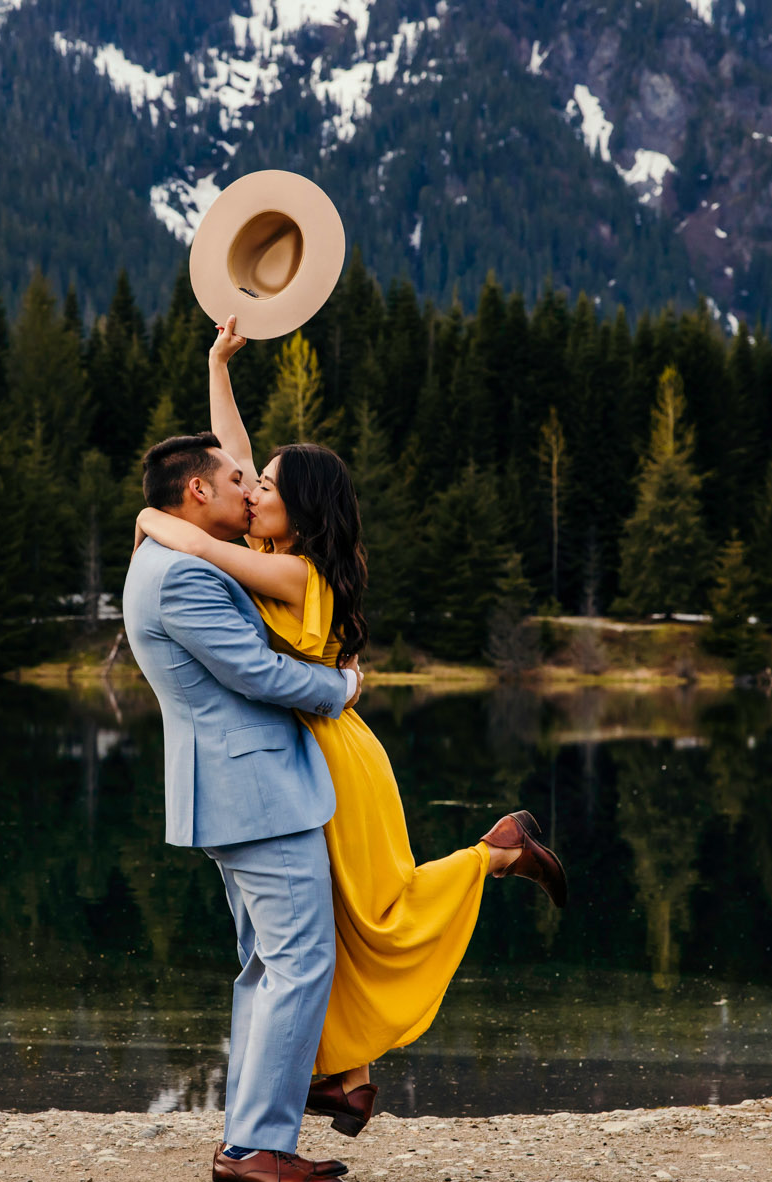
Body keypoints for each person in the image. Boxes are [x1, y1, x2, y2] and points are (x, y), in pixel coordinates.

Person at [133, 316, 567, 1139]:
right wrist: (218, 367)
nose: (248, 489)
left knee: (374, 910)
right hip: (311, 749)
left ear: (294, 512)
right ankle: (345, 1076)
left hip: (333, 758)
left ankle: (497, 854)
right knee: (320, 924)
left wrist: (160, 522)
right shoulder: (285, 549)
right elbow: (229, 457)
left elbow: (211, 541)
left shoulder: (290, 569)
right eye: (246, 481)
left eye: (263, 486)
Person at [122, 428, 363, 1182]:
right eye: (236, 479)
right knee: (299, 962)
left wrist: (220, 364)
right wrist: (343, 689)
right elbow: (256, 673)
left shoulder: (169, 556)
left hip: (237, 792)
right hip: (256, 792)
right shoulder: (182, 576)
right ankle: (257, 1147)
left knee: (268, 966)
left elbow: (229, 450)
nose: (249, 489)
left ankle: (256, 1137)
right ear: (197, 492)